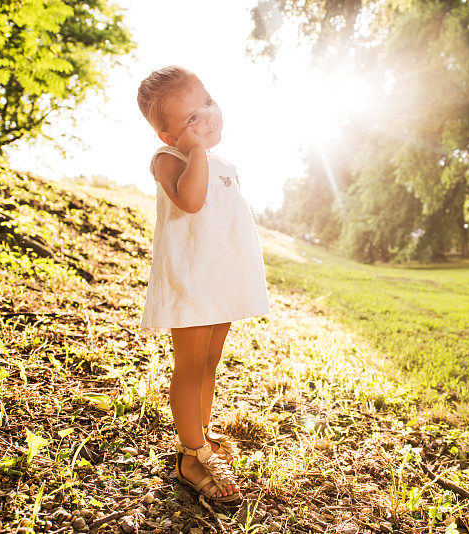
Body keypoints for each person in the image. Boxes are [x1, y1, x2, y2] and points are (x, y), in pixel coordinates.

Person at [136, 65, 271, 504]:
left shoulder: (225, 163)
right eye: (191, 118)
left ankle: (202, 432)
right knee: (191, 367)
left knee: (211, 361)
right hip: (191, 282)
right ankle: (191, 455)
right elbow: (191, 202)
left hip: (220, 280)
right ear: (169, 136)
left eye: (207, 102)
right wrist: (195, 152)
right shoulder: (168, 160)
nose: (208, 117)